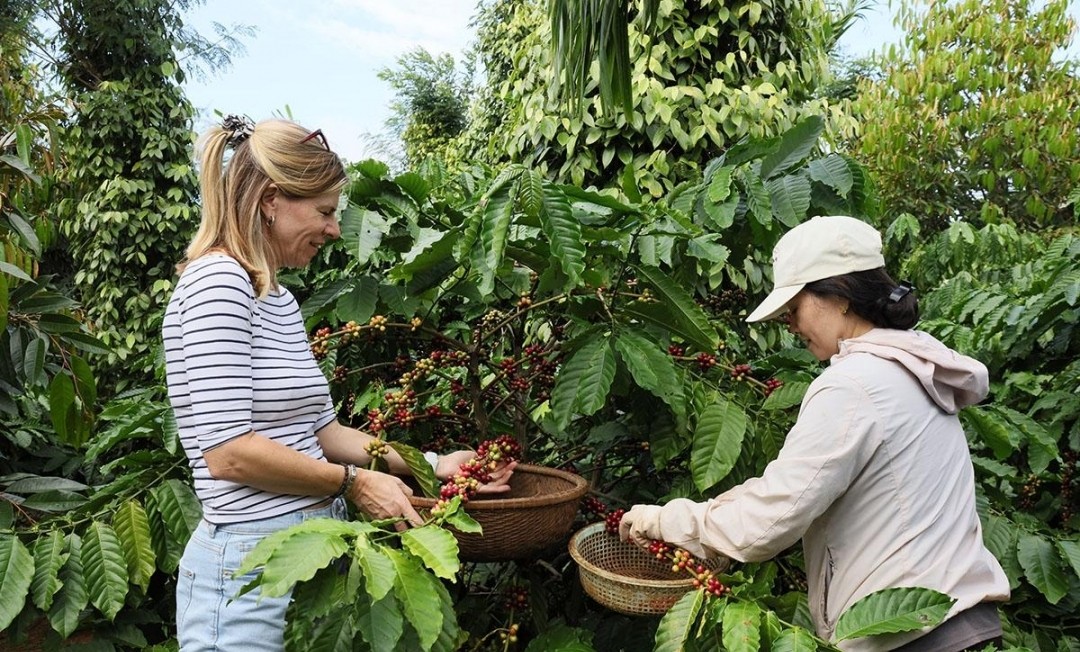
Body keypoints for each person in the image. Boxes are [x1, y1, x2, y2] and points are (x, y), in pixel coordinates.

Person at [163, 116, 515, 651]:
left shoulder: (277, 299)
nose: (333, 229)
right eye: (325, 212)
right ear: (270, 200)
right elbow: (228, 453)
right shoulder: (218, 282)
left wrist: (433, 463)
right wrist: (353, 483)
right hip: (247, 574)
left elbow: (325, 434)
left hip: (313, 556)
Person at [618, 215, 1010, 651]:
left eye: (794, 308)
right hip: (956, 622)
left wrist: (666, 521)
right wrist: (715, 524)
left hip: (915, 636)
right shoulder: (913, 369)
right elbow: (798, 490)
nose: (789, 324)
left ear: (839, 297)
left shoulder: (854, 384)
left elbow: (775, 515)